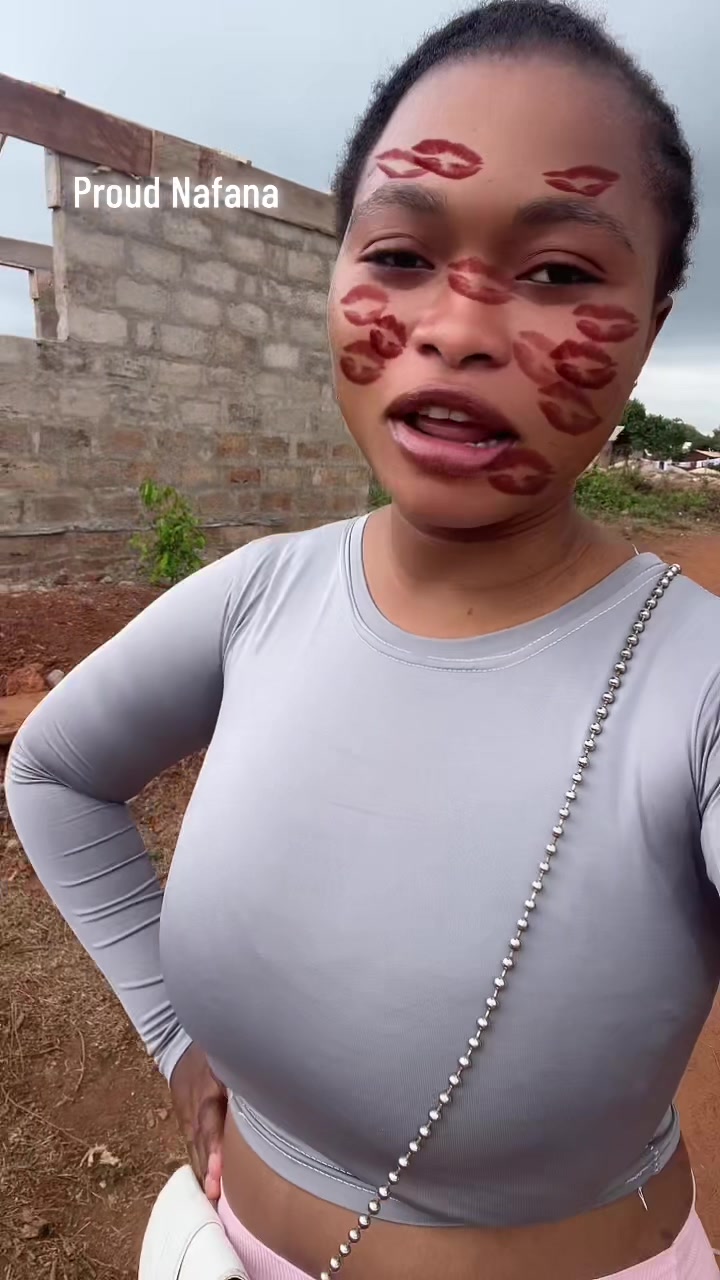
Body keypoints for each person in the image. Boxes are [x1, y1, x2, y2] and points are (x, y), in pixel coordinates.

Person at [5, 1, 720, 1277]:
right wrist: (172, 1031)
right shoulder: (258, 595)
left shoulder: (695, 682)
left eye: (561, 273)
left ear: (653, 324)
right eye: (398, 253)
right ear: (334, 274)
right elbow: (54, 771)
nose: (458, 328)